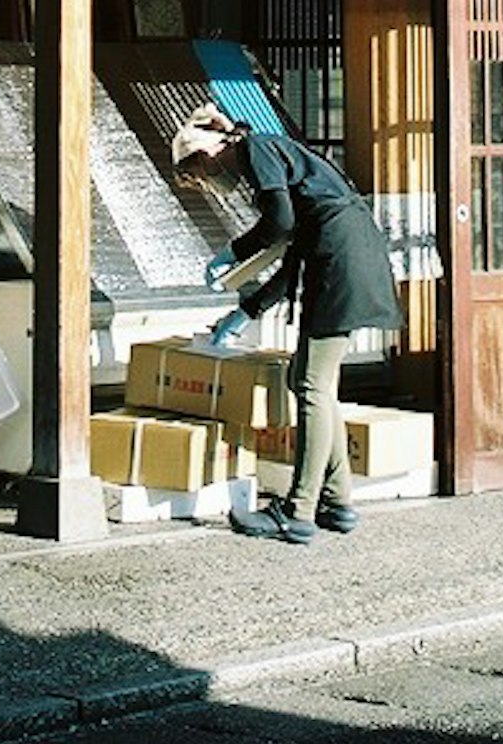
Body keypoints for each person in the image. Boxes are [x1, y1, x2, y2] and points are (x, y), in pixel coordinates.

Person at [170, 107, 399, 545]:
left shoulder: (255, 150)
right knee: (312, 382)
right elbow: (292, 252)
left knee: (311, 385)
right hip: (345, 256)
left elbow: (281, 225)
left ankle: (298, 511)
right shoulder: (274, 156)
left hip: (340, 261)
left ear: (209, 152)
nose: (206, 183)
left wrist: (233, 251)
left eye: (197, 173)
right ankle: (338, 501)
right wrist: (248, 309)